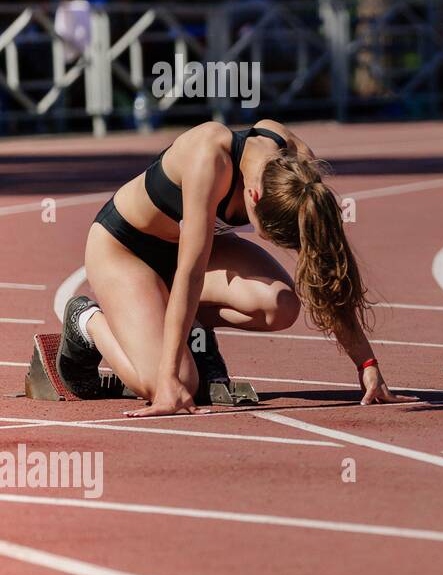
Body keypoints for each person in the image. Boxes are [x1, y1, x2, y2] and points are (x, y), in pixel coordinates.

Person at [59, 119, 412, 416]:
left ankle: (171, 326)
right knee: (173, 382)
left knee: (280, 307)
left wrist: (367, 365)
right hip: (125, 251)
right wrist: (168, 381)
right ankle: (87, 321)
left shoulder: (297, 169)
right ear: (254, 195)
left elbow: (326, 267)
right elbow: (190, 274)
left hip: (184, 254)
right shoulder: (208, 159)